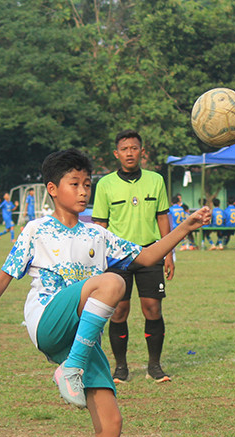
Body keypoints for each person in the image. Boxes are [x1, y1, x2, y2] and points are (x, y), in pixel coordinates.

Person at [0, 149, 210, 437]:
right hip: (46, 322)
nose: (84, 190)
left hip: (81, 339)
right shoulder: (36, 231)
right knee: (113, 283)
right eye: (75, 184)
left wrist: (184, 228)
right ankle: (69, 369)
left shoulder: (97, 234)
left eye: (88, 183)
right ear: (53, 190)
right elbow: (3, 278)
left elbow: (144, 256)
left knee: (111, 422)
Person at [91, 130, 174, 384]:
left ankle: (154, 366)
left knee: (153, 309)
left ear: (142, 152)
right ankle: (121, 368)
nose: (130, 153)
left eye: (134, 148)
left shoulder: (156, 180)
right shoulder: (105, 184)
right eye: (124, 149)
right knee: (118, 312)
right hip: (116, 257)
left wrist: (169, 253)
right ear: (116, 154)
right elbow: (99, 225)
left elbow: (162, 217)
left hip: (150, 252)